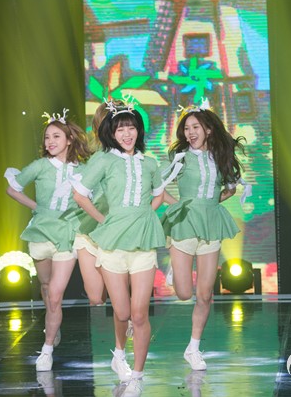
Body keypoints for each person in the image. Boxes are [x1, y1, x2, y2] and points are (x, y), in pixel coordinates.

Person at [73, 99, 167, 396]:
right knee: (123, 312)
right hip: (112, 246)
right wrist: (105, 220)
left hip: (143, 245)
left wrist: (144, 214)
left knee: (140, 315)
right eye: (120, 129)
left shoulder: (149, 163)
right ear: (111, 133)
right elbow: (80, 194)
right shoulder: (104, 160)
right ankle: (118, 354)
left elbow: (159, 194)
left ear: (139, 130)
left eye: (131, 128)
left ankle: (137, 377)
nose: (127, 134)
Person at [160, 98, 246, 371]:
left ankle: (194, 348)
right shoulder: (180, 157)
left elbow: (230, 188)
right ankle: (175, 266)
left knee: (205, 294)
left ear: (208, 129)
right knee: (184, 293)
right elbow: (157, 186)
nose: (190, 132)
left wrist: (210, 203)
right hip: (184, 224)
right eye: (186, 128)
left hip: (210, 225)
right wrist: (178, 205)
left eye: (195, 127)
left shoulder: (220, 156)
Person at [4, 109, 92, 371]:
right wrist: (37, 207)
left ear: (69, 140)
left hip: (67, 234)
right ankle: (53, 322)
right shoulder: (40, 166)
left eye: (56, 136)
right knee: (45, 287)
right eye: (47, 137)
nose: (50, 141)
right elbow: (12, 188)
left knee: (55, 295)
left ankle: (47, 348)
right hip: (41, 233)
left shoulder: (83, 170)